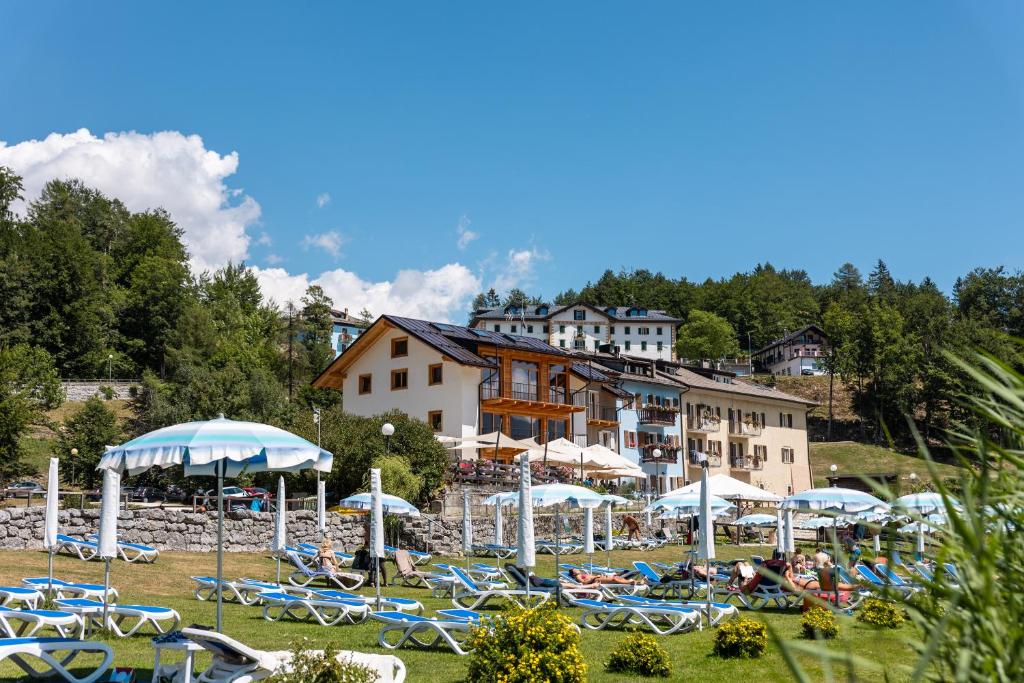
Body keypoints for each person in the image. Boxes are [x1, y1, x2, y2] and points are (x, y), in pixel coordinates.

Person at [567, 568, 645, 587]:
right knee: (614, 579)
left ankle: (637, 582)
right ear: (573, 574)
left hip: (598, 578)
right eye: (575, 570)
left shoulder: (582, 574)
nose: (577, 569)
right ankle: (632, 582)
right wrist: (594, 578)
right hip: (596, 581)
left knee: (616, 578)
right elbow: (583, 583)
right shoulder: (578, 577)